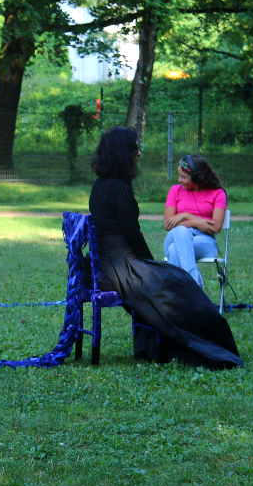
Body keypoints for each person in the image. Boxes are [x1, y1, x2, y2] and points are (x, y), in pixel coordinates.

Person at [88, 127, 242, 369]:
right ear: (122, 153)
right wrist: (152, 265)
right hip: (120, 267)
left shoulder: (99, 185)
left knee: (174, 278)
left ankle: (152, 345)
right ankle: (209, 343)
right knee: (177, 282)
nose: (138, 153)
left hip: (105, 263)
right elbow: (134, 236)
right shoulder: (120, 188)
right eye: (134, 148)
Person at [163, 154, 227, 288]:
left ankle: (179, 301)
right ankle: (195, 285)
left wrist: (186, 215)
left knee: (174, 251)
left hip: (205, 242)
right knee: (181, 231)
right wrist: (195, 223)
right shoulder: (175, 190)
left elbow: (215, 228)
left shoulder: (218, 193)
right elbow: (168, 224)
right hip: (176, 236)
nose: (179, 180)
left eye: (184, 177)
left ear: (198, 177)